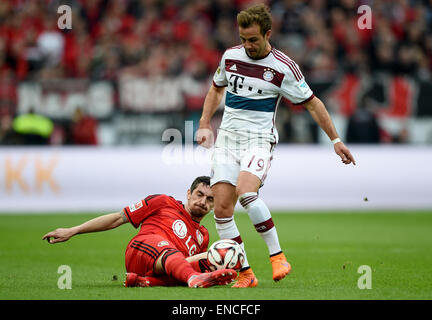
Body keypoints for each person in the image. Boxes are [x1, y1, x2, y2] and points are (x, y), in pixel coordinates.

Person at [196, 4, 356, 288]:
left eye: (254, 40)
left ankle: (277, 255)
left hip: (258, 140)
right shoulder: (230, 56)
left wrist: (336, 140)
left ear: (268, 34)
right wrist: (205, 122)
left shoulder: (283, 67)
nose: (247, 45)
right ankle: (245, 273)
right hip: (227, 141)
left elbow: (313, 104)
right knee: (221, 209)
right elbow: (216, 88)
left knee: (246, 192)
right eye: (243, 39)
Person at [42, 176, 237, 288]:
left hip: (163, 267)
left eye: (210, 200)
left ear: (214, 205)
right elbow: (118, 218)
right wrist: (73, 230)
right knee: (172, 253)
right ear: (188, 193)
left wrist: (217, 256)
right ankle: (192, 279)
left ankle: (145, 282)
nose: (203, 202)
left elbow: (187, 263)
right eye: (199, 195)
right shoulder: (162, 201)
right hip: (141, 249)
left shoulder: (202, 235)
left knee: (190, 266)